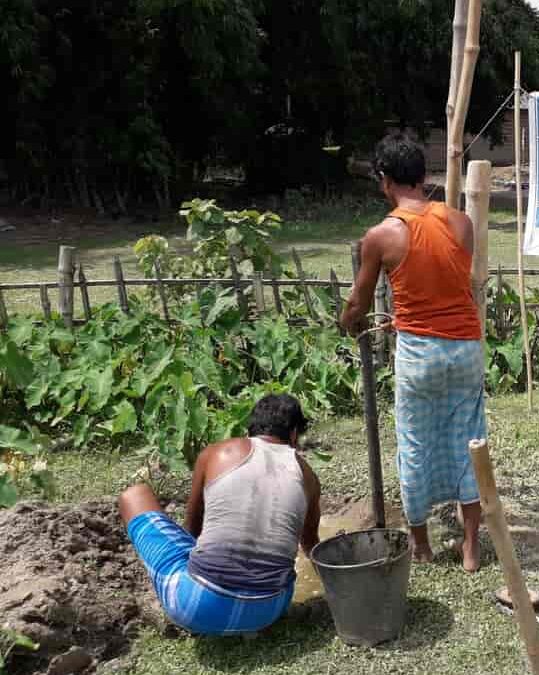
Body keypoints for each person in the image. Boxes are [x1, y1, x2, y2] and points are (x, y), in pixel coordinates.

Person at [340, 135, 484, 573]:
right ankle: (471, 549)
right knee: (469, 440)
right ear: (424, 176)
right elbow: (448, 283)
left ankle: (422, 547)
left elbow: (359, 304)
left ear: (385, 181)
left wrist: (349, 323)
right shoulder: (461, 223)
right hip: (465, 350)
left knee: (415, 445)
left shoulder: (381, 236)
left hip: (420, 354)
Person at [118, 394, 321, 634]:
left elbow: (192, 527)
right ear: (294, 433)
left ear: (252, 427)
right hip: (269, 611)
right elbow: (310, 546)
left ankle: (198, 600)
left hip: (196, 607)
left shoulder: (217, 452)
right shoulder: (308, 476)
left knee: (134, 495)